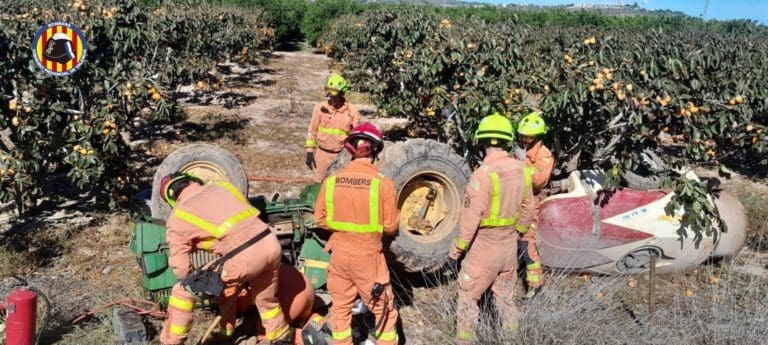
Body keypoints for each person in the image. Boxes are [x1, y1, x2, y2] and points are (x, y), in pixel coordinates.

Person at [157, 173, 291, 345]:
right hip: (270, 244)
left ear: (171, 198)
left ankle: (172, 342)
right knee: (266, 301)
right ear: (192, 180)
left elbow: (181, 268)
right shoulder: (223, 186)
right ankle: (280, 339)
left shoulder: (178, 216)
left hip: (244, 257)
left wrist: (196, 282)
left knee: (181, 292)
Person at [450, 113, 536, 345]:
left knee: (468, 298)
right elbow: (529, 209)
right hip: (508, 246)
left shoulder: (482, 175)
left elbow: (470, 218)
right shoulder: (523, 171)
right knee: (506, 300)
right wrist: (515, 231)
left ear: (482, 139)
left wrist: (458, 248)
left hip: (483, 247)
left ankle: (465, 341)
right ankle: (513, 340)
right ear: (508, 139)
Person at [314, 122, 400, 345]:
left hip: (339, 256)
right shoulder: (383, 184)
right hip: (368, 258)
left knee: (341, 311)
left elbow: (320, 219)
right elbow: (391, 227)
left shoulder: (331, 181)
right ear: (376, 150)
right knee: (384, 312)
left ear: (351, 150)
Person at [515, 112, 554, 299]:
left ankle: (535, 284)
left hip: (531, 201)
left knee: (526, 241)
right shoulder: (520, 151)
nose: (524, 139)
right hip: (514, 200)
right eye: (522, 136)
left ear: (537, 137)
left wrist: (521, 165)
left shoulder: (544, 155)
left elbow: (539, 180)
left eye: (528, 137)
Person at [305, 75, 361, 183]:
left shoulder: (352, 111)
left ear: (342, 93)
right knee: (319, 185)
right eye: (330, 94)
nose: (332, 98)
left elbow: (357, 137)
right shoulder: (320, 108)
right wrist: (309, 152)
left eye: (335, 95)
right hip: (322, 155)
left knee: (338, 187)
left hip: (341, 156)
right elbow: (312, 130)